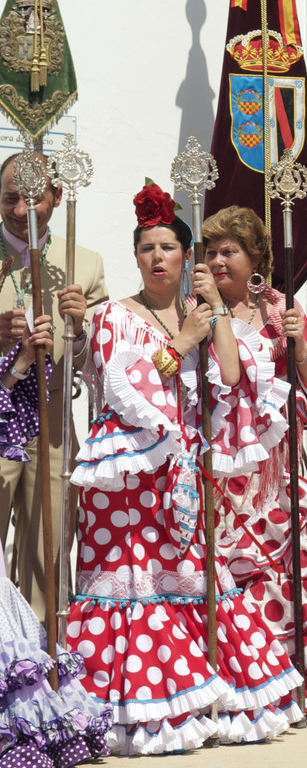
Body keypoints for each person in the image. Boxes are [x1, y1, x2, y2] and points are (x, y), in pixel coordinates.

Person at [67, 182, 301, 752]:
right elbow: (125, 389)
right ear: (136, 257)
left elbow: (231, 372)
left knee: (194, 581)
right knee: (135, 583)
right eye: (147, 248)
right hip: (126, 483)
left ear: (186, 257)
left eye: (168, 247)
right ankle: (133, 709)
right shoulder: (112, 319)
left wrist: (211, 313)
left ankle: (202, 698)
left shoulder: (204, 312)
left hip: (185, 479)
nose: (157, 258)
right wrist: (181, 339)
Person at [203, 205, 307, 720]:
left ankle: (295, 681)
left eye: (229, 250)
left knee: (278, 563)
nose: (218, 259)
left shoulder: (278, 307)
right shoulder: (195, 307)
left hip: (271, 468)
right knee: (227, 567)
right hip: (218, 464)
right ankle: (240, 684)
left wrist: (298, 346)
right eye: (211, 251)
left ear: (256, 259)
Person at [0, 313, 110, 766]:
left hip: (42, 428)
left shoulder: (84, 267)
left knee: (42, 569)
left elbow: (88, 359)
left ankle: (34, 708)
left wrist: (62, 338)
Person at [0, 151, 106, 619]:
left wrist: (79, 330)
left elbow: (97, 362)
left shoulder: (83, 262)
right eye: (9, 199)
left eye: (33, 199)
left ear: (57, 198)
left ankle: (44, 656)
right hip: (0, 416)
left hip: (54, 421)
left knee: (51, 545)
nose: (21, 211)